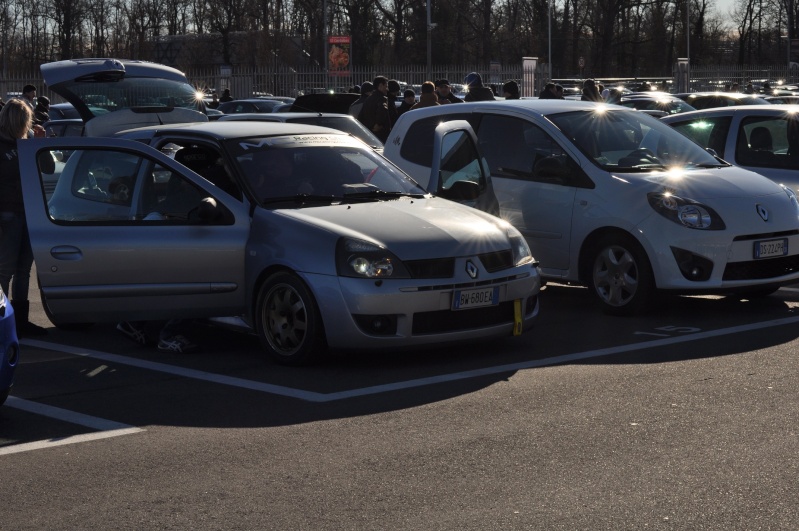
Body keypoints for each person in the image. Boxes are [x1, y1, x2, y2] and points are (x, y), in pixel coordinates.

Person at [0, 100, 47, 336]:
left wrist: (40, 144)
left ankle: (20, 322)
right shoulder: (2, 145)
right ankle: (4, 321)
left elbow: (47, 167)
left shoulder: (28, 143)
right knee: (5, 270)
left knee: (22, 270)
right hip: (7, 214)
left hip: (28, 212)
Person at [358, 76, 392, 143]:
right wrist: (378, 124)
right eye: (386, 86)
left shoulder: (368, 99)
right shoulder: (382, 99)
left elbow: (361, 116)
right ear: (380, 85)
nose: (387, 89)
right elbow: (382, 112)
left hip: (369, 135)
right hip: (381, 135)